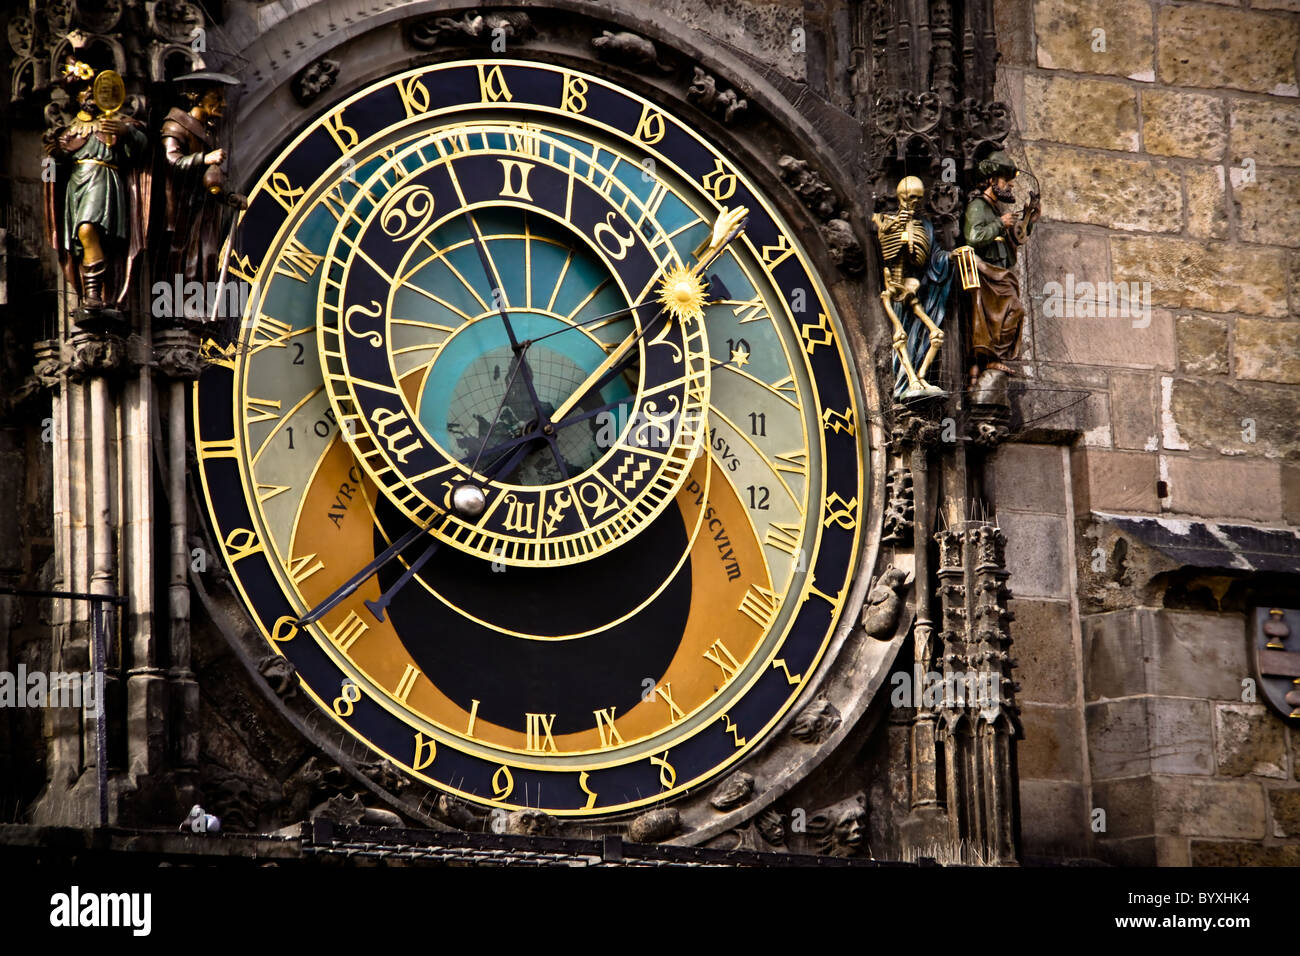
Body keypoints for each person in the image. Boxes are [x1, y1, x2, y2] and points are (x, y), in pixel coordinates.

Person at [44, 60, 149, 311]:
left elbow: (141, 148)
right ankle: (94, 293)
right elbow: (54, 168)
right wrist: (54, 155)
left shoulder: (114, 122)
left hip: (104, 179)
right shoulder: (70, 130)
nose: (90, 94)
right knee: (85, 241)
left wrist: (126, 132)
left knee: (87, 230)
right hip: (77, 185)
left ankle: (94, 293)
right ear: (76, 96)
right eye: (84, 90)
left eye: (94, 89)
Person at [159, 72, 243, 299]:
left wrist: (229, 196)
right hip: (184, 208)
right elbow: (170, 162)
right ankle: (186, 304)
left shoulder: (209, 133)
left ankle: (201, 304)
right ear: (197, 97)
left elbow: (210, 178)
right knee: (189, 256)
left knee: (208, 255)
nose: (223, 104)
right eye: (216, 97)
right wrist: (204, 158)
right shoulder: (176, 126)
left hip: (204, 208)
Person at [961, 151, 1038, 386]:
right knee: (1006, 312)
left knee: (1011, 312)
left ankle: (992, 358)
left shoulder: (994, 209)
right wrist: (999, 223)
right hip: (985, 273)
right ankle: (989, 359)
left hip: (998, 274)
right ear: (992, 180)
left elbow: (1009, 242)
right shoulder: (978, 206)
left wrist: (1028, 222)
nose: (1010, 185)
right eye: (1006, 180)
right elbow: (973, 237)